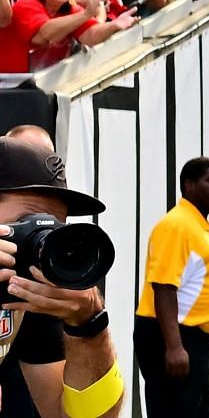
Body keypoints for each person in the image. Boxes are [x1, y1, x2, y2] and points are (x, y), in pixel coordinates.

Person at [0, 135, 125, 418]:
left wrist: (90, 325)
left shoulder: (32, 285)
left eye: (54, 226)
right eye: (26, 222)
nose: (40, 240)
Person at [134, 158, 209, 418]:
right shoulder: (176, 226)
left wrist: (207, 356)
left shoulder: (198, 225)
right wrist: (175, 348)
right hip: (173, 337)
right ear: (189, 185)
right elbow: (164, 288)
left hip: (194, 340)